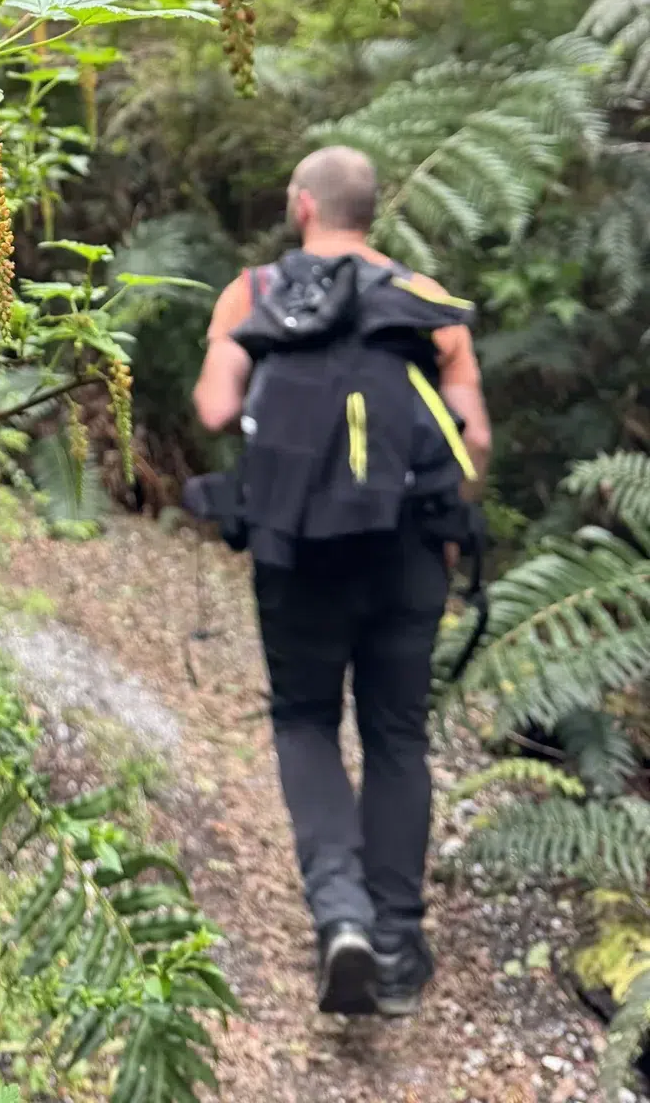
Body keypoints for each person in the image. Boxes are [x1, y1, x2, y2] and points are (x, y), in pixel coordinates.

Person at [192, 145, 491, 1020]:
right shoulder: (426, 302)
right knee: (398, 734)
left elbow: (215, 409)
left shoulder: (253, 291)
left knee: (305, 719)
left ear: (301, 206)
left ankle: (342, 917)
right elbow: (471, 437)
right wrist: (443, 521)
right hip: (408, 552)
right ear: (373, 213)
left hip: (298, 549)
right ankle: (397, 940)